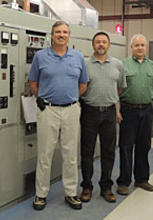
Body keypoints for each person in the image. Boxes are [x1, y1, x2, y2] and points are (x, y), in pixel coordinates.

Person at [29, 21, 89, 210]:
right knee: (44, 155)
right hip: (48, 110)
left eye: (64, 32)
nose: (61, 35)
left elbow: (83, 84)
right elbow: (33, 81)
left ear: (69, 36)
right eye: (57, 32)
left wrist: (70, 100)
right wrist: (42, 98)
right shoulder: (40, 56)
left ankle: (71, 193)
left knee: (70, 155)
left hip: (71, 110)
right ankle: (41, 194)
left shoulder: (78, 57)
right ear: (52, 35)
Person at [116, 34, 153, 195]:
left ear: (146, 47)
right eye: (136, 45)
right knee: (126, 146)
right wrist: (116, 110)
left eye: (142, 45)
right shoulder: (122, 65)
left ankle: (142, 179)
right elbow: (116, 90)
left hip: (147, 110)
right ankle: (124, 182)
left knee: (144, 146)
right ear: (131, 48)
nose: (140, 48)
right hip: (128, 110)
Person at [80, 32, 126, 203]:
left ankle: (106, 187)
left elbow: (120, 89)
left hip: (109, 113)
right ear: (93, 45)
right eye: (98, 42)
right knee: (87, 151)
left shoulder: (118, 65)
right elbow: (80, 86)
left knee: (108, 151)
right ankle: (86, 186)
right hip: (89, 111)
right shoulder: (84, 64)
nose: (101, 45)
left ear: (108, 45)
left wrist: (112, 103)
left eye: (104, 42)